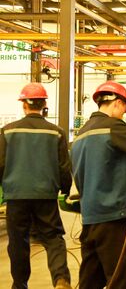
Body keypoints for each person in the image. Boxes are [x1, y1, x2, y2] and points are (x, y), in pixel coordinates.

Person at [71, 81, 126, 289]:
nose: (123, 116)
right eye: (124, 111)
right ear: (117, 103)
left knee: (90, 279)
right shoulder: (112, 126)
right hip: (113, 215)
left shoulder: (80, 134)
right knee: (121, 279)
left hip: (90, 216)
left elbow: (97, 168)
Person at [0, 83, 72, 289]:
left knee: (18, 241)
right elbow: (64, 166)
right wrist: (66, 190)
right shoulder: (56, 133)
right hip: (45, 195)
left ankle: (19, 284)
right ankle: (61, 279)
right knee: (53, 237)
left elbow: (0, 163)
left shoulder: (7, 131)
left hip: (16, 195)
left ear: (23, 104)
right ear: (44, 105)